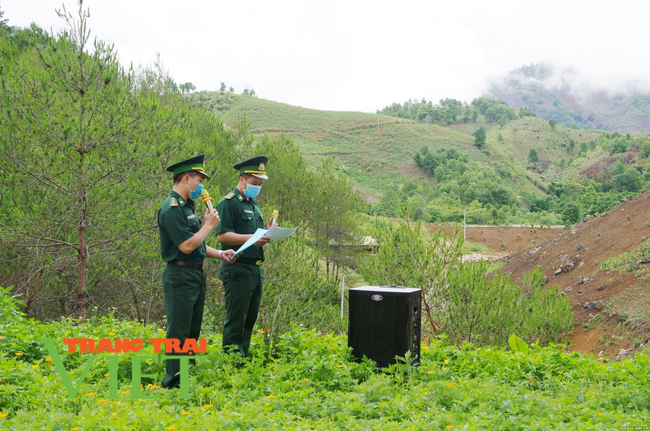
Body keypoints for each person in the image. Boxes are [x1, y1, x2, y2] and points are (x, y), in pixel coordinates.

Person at [158, 154, 235, 388]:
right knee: (178, 329)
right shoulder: (171, 208)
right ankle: (173, 382)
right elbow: (186, 245)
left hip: (195, 273)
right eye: (199, 180)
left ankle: (186, 372)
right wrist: (208, 225)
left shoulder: (188, 206)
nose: (201, 186)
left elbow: (198, 244)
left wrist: (220, 253)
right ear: (186, 178)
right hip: (179, 275)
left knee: (192, 328)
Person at [215, 155, 276, 357]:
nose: (257, 187)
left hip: (255, 268)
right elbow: (222, 235)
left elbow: (254, 233)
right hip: (237, 267)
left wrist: (267, 231)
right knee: (236, 318)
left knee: (250, 317)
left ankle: (243, 356)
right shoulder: (228, 203)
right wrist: (251, 238)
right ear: (242, 180)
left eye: (259, 184)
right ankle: (232, 361)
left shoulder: (253, 204)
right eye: (254, 183)